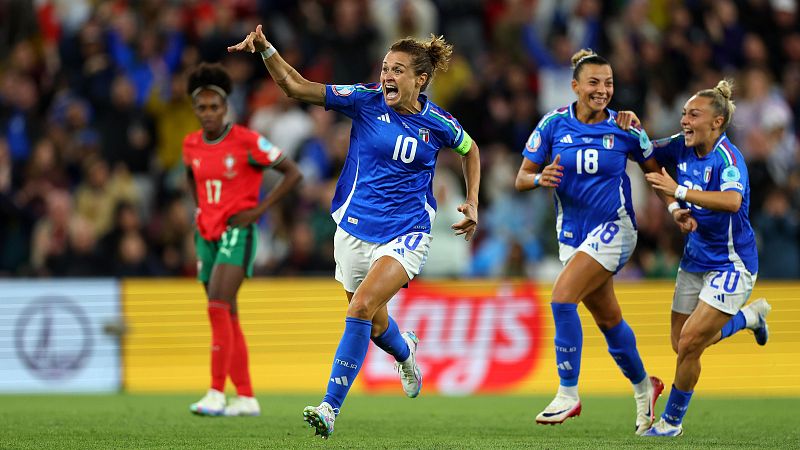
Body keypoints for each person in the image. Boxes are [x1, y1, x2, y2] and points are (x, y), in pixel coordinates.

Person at [228, 25, 480, 439]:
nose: (387, 77)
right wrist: (267, 49)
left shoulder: (440, 123)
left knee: (360, 307)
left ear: (420, 79)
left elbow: (471, 152)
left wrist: (472, 201)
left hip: (407, 233)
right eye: (385, 68)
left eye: (397, 70)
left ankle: (329, 407)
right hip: (354, 230)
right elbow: (296, 87)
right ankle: (406, 352)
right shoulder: (366, 101)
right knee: (376, 325)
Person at [514, 49, 665, 434]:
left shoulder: (626, 127)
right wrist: (538, 179)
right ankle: (644, 387)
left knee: (562, 298)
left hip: (616, 228)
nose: (602, 90)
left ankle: (567, 393)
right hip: (573, 236)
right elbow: (521, 178)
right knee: (608, 318)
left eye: (609, 83)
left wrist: (676, 207)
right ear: (575, 86)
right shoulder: (552, 124)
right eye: (594, 83)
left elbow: (654, 171)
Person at [616, 80, 771, 437]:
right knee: (681, 342)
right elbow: (645, 154)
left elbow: (731, 202)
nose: (684, 120)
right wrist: (632, 127)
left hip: (731, 264)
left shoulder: (729, 159)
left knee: (689, 344)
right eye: (684, 113)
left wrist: (680, 191)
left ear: (716, 122)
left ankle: (671, 422)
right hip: (695, 259)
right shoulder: (680, 147)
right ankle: (749, 318)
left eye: (693, 114)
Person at [183, 63, 302, 417]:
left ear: (226, 107)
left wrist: (258, 210)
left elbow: (292, 173)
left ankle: (216, 392)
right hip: (207, 233)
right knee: (227, 314)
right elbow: (192, 178)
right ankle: (247, 396)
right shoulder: (190, 145)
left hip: (238, 230)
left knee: (218, 305)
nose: (208, 114)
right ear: (195, 110)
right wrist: (200, 209)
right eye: (201, 108)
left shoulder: (247, 141)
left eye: (214, 107)